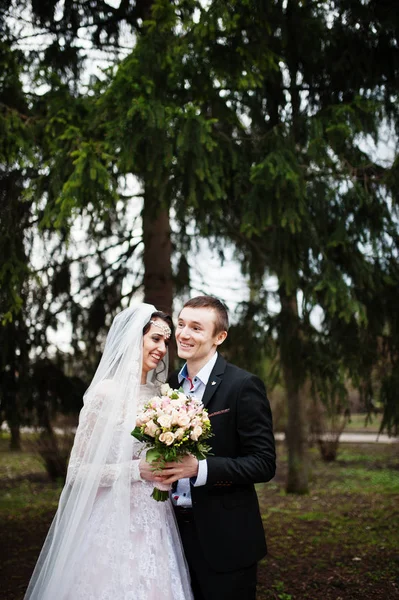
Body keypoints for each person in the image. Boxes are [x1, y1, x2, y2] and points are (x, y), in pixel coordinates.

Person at [24, 303, 194, 600]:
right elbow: (76, 472)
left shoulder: (162, 397)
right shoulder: (105, 393)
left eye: (165, 342)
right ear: (133, 339)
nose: (162, 348)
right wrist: (135, 470)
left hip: (155, 516)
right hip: (111, 519)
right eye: (155, 338)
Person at [157, 296, 276, 600]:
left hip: (226, 542)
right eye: (181, 324)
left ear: (219, 337)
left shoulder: (242, 386)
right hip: (169, 538)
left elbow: (263, 463)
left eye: (196, 328)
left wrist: (200, 469)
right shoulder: (168, 387)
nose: (183, 334)